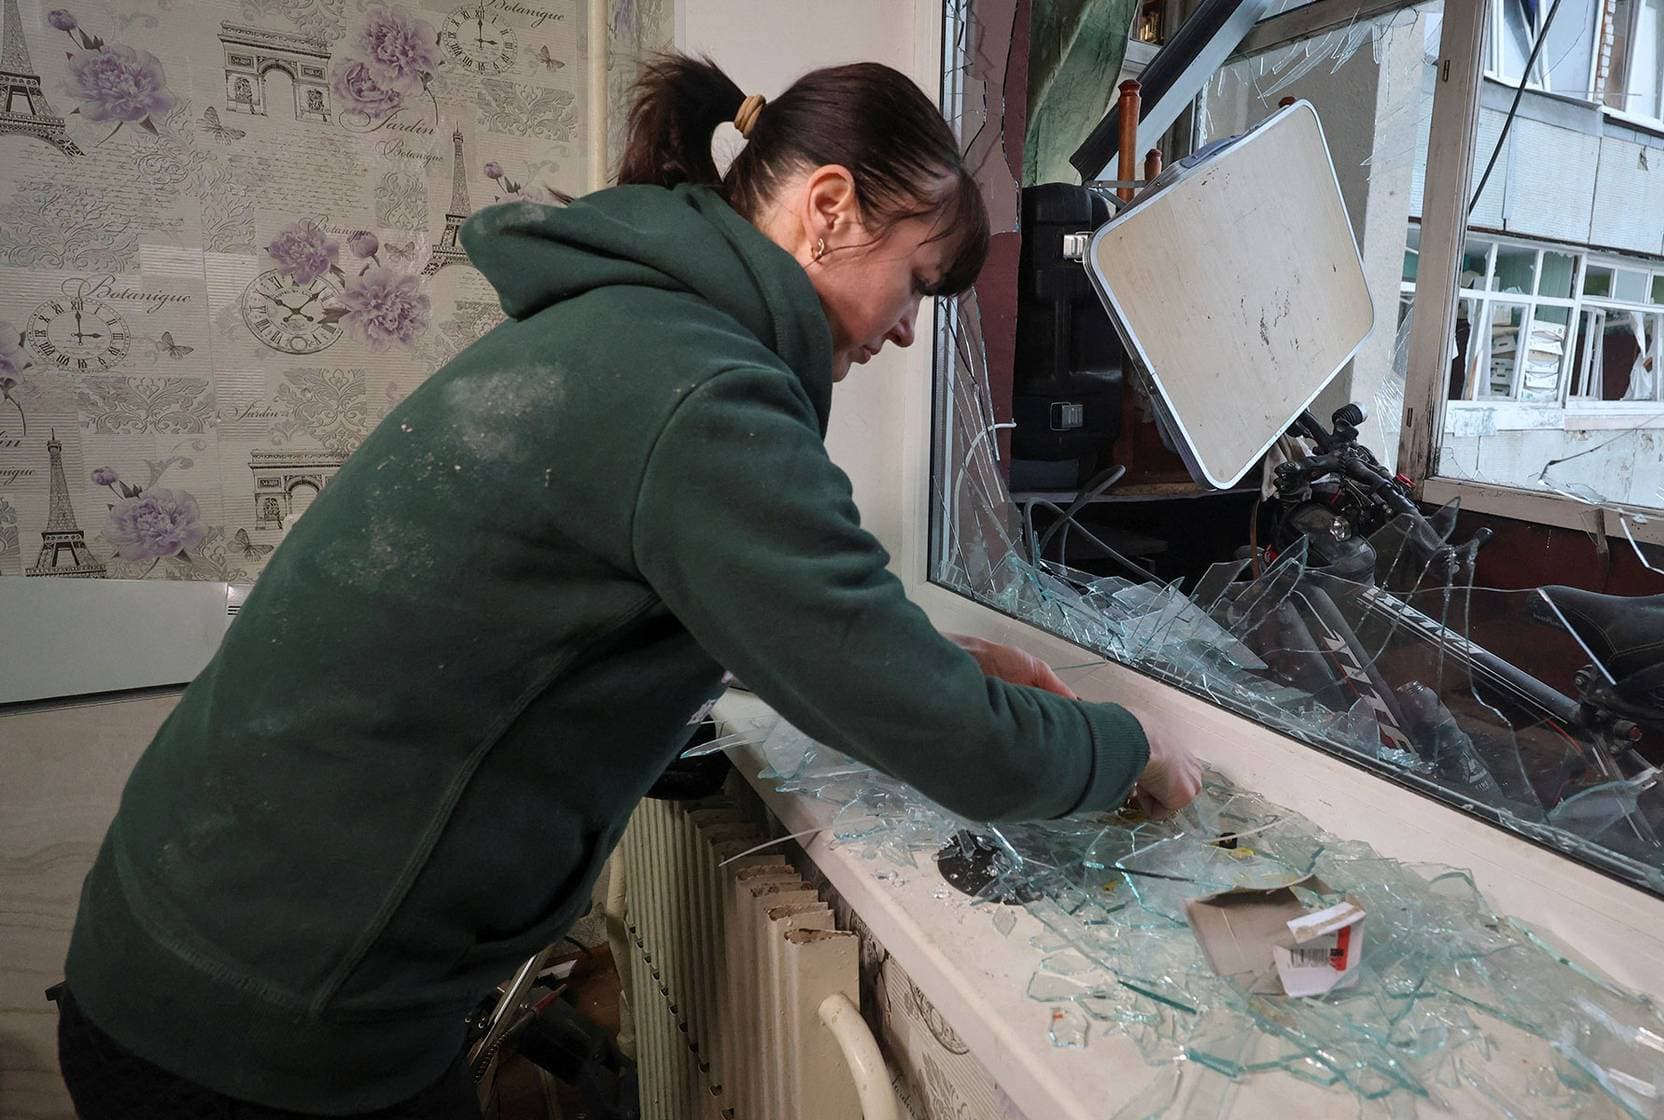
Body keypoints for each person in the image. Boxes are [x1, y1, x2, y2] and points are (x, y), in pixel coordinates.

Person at [56, 54, 1202, 1118]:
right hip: (265, 1022)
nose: (906, 333)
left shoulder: (637, 329)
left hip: (198, 943)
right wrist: (1124, 745)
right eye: (915, 283)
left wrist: (945, 657)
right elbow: (953, 743)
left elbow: (744, 607)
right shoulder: (703, 391)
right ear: (831, 207)